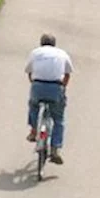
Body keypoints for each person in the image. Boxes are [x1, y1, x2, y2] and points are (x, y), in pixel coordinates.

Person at [24, 33, 73, 164]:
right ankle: (55, 149)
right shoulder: (62, 53)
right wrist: (63, 88)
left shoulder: (35, 52)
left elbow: (29, 71)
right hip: (55, 87)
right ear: (54, 44)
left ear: (41, 43)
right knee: (58, 119)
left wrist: (34, 84)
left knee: (33, 105)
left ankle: (34, 131)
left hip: (38, 85)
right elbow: (67, 74)